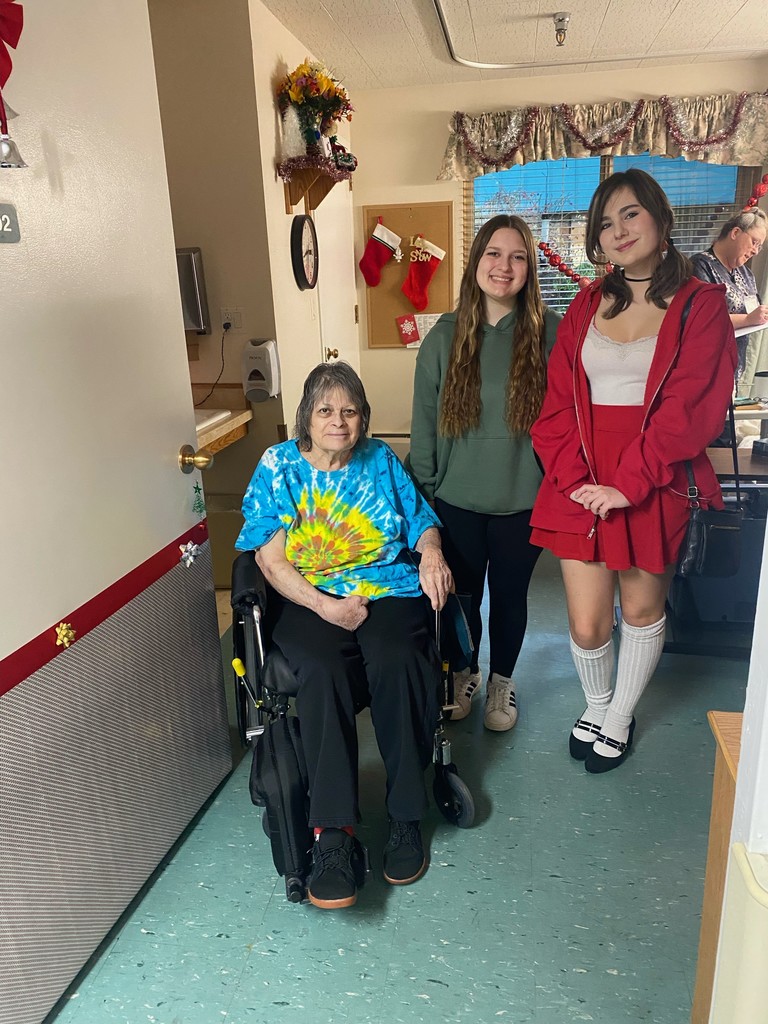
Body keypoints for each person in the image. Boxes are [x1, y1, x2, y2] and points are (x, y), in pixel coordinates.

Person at [530, 168, 736, 774]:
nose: (617, 231)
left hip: (654, 476)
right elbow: (557, 405)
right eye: (604, 223)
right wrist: (576, 482)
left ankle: (620, 715)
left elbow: (691, 408)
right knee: (586, 623)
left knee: (642, 613)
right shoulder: (585, 304)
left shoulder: (702, 306)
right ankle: (597, 704)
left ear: (660, 219)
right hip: (581, 478)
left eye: (630, 214)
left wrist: (628, 484)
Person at [235, 361, 453, 910]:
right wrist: (325, 608)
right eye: (326, 410)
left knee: (399, 656)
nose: (338, 421)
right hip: (309, 594)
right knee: (322, 668)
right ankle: (332, 834)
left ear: (363, 418)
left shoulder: (380, 459)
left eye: (350, 411)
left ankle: (405, 815)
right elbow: (270, 559)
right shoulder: (278, 466)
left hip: (387, 587)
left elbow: (421, 519)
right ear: (306, 418)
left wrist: (431, 553)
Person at [408, 215, 560, 732]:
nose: (504, 266)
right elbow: (424, 428)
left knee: (511, 599)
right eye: (494, 253)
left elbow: (569, 421)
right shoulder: (443, 338)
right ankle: (464, 672)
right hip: (457, 501)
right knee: (463, 598)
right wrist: (424, 499)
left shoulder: (551, 334)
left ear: (530, 268)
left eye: (518, 257)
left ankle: (502, 682)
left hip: (524, 500)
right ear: (476, 261)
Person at [691, 207, 768, 389]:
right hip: (706, 370)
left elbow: (753, 312)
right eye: (754, 242)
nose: (755, 251)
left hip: (733, 369)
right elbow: (701, 320)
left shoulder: (746, 274)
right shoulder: (700, 266)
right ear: (735, 233)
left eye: (759, 246)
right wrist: (748, 319)